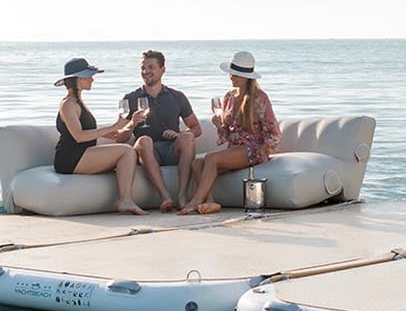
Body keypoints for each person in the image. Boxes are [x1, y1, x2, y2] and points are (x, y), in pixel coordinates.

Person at [186, 51, 281, 215]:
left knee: (210, 158)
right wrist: (219, 126)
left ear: (247, 77)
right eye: (231, 73)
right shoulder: (228, 97)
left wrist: (264, 148)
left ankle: (196, 201)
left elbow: (273, 131)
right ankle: (210, 202)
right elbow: (227, 136)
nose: (231, 77)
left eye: (236, 74)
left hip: (254, 150)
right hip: (234, 149)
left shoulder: (259, 97)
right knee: (196, 163)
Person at [52, 56, 147, 216]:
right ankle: (125, 201)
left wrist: (109, 133)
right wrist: (111, 127)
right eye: (90, 76)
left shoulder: (78, 101)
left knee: (128, 151)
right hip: (70, 159)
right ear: (79, 78)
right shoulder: (68, 104)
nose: (92, 80)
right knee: (126, 151)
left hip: (82, 154)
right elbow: (79, 137)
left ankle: (125, 200)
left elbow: (86, 132)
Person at [117, 49, 201, 211]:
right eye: (143, 68)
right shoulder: (131, 98)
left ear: (163, 69)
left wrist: (180, 135)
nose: (146, 72)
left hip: (172, 149)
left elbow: (196, 128)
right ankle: (165, 196)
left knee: (187, 138)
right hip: (147, 151)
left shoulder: (177, 96)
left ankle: (182, 196)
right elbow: (119, 138)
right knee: (144, 140)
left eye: (150, 67)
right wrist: (132, 124)